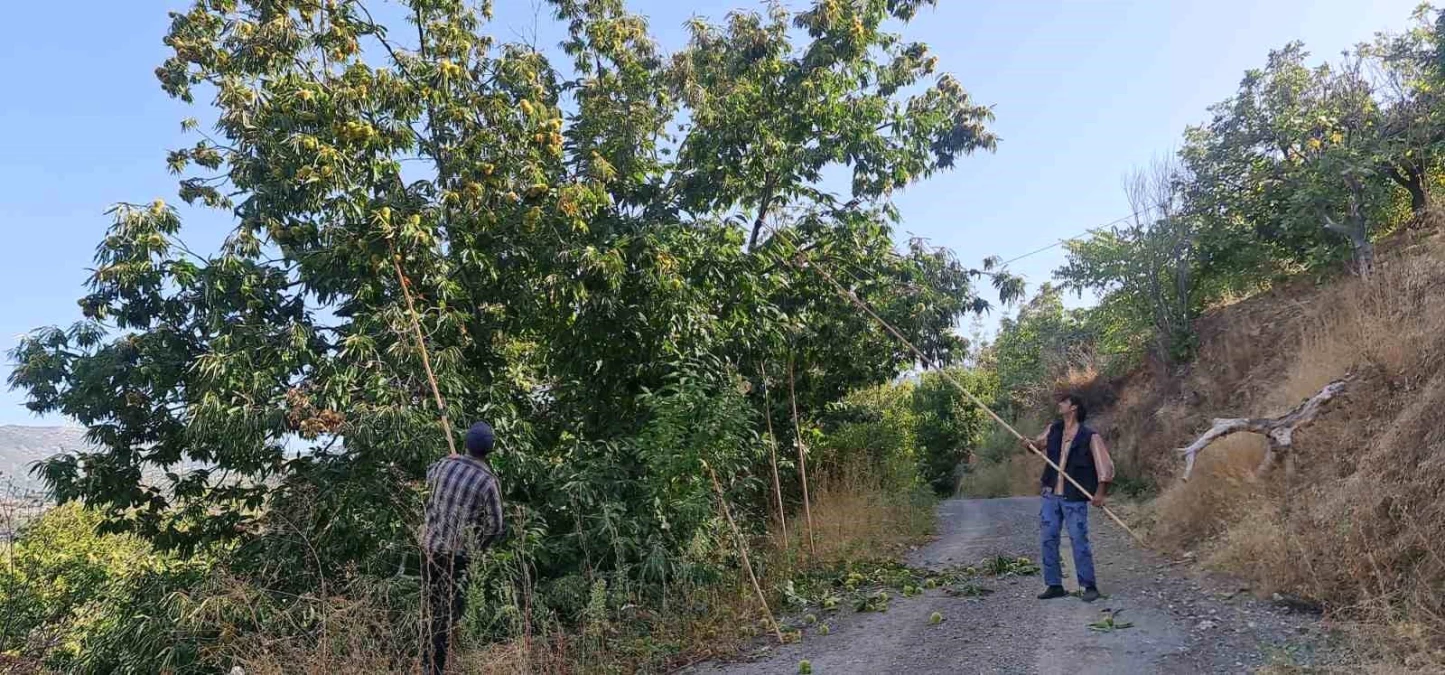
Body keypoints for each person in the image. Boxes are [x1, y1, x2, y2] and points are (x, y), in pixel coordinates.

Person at [422, 421, 507, 675]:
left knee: (431, 608)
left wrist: (451, 459)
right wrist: (477, 548)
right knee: (446, 615)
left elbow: (428, 476)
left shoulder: (444, 464)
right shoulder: (488, 482)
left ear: (466, 444)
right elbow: (496, 526)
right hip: (456, 557)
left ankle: (429, 663)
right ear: (489, 450)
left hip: (428, 549)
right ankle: (433, 668)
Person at [1021, 393, 1114, 603]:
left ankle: (1088, 585)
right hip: (1050, 494)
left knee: (1078, 540)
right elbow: (1038, 446)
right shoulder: (1053, 429)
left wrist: (1100, 493)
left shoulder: (1090, 436)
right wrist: (1029, 444)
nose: (1060, 404)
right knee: (1048, 538)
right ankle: (1054, 585)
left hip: (1074, 497)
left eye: (1064, 402)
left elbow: (1105, 467)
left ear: (1074, 408)